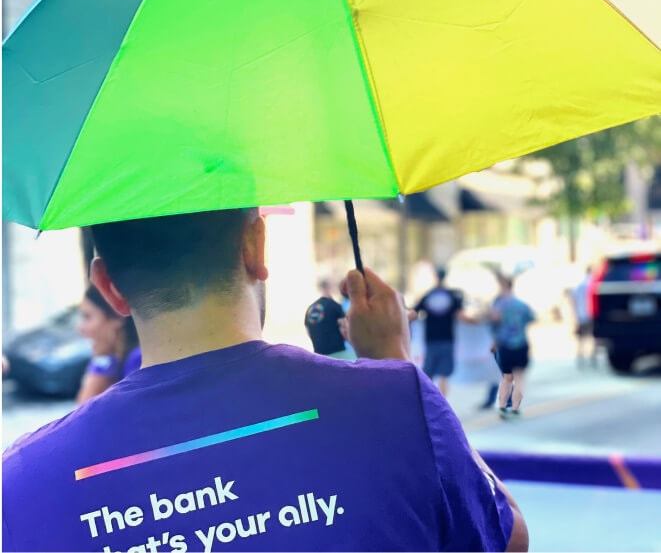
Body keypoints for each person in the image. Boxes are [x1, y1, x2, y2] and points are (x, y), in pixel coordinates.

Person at [2, 209, 527, 552]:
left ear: (109, 287)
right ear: (256, 247)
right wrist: (394, 364)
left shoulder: (20, 486)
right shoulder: (396, 403)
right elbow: (507, 539)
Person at [76, 284, 141, 404]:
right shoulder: (116, 361)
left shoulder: (138, 360)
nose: (80, 328)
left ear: (117, 317)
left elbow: (85, 413)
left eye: (87, 317)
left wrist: (100, 365)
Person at [413, 267, 466, 397]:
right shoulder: (453, 296)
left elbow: (414, 312)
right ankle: (443, 403)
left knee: (429, 373)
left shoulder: (428, 295)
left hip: (431, 339)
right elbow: (462, 316)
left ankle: (429, 401)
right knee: (444, 374)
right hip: (447, 339)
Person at [491, 276, 535, 419]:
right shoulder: (522, 305)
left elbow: (494, 320)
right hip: (521, 343)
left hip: (505, 345)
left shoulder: (500, 305)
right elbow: (532, 318)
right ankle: (515, 409)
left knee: (507, 378)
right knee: (520, 378)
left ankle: (502, 406)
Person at [304, 279, 355, 361]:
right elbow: (345, 329)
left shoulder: (310, 309)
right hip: (339, 355)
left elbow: (308, 332)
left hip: (319, 356)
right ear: (329, 288)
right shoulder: (334, 306)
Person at [570, 267, 595, 367]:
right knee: (592, 338)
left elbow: (573, 301)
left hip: (581, 314)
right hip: (591, 314)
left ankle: (580, 358)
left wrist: (574, 314)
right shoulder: (592, 284)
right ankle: (592, 359)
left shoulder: (579, 285)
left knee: (581, 339)